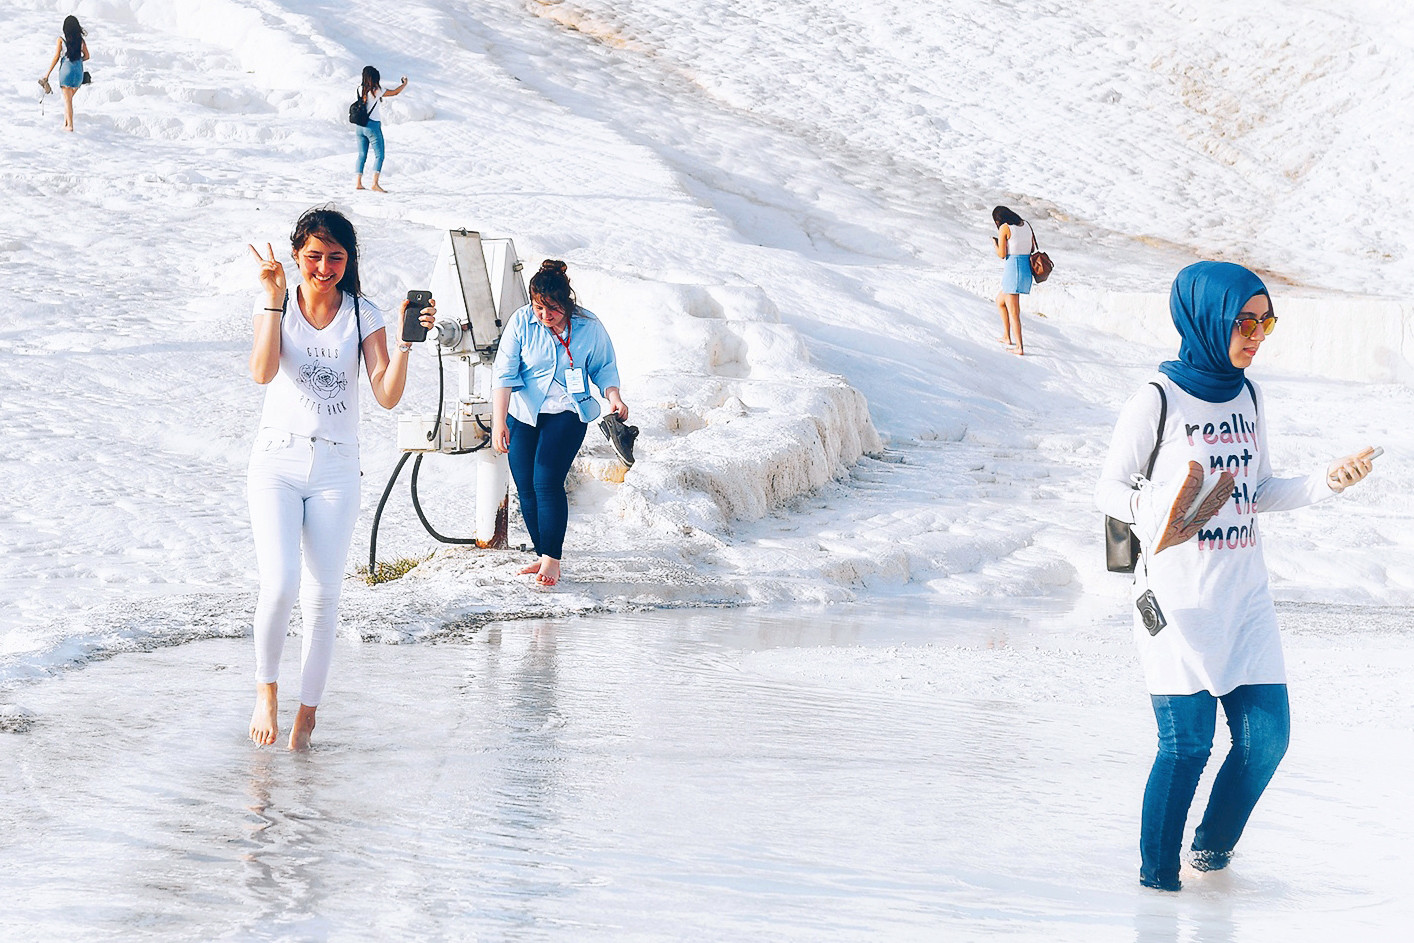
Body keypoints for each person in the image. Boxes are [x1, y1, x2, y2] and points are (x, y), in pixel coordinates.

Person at [1095, 261, 1377, 892]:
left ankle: (1212, 859)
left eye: (1266, 320)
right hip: (1172, 599)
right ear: (1209, 317)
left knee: (1265, 743)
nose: (1256, 333)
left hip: (1244, 598)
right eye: (1245, 321)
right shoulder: (1158, 398)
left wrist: (1327, 484)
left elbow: (1257, 490)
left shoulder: (1248, 396)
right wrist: (1165, 511)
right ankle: (1157, 894)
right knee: (1186, 747)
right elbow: (1108, 489)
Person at [245, 206, 435, 750]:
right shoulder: (276, 304)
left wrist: (403, 343)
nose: (324, 267)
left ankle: (306, 716)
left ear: (348, 260)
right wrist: (273, 297)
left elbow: (386, 394)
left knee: (323, 596)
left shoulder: (363, 313)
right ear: (297, 256)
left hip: (335, 465)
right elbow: (261, 373)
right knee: (279, 583)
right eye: (313, 256)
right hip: (276, 460)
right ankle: (267, 689)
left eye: (335, 257)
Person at [491, 260, 628, 587]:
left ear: (567, 302)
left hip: (568, 412)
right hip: (524, 412)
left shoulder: (588, 326)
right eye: (539, 307)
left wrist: (614, 397)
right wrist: (500, 421)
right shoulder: (522, 322)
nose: (544, 315)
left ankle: (552, 559)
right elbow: (504, 373)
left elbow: (603, 367)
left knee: (546, 481)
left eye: (552, 308)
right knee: (526, 489)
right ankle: (542, 554)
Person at [354, 66, 408, 193]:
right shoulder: (376, 90)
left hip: (359, 127)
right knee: (379, 155)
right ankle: (375, 183)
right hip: (372, 126)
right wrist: (404, 84)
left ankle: (358, 183)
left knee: (362, 155)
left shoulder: (359, 89)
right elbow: (395, 92)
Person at [991, 206, 1035, 355]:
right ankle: (1006, 337)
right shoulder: (1026, 224)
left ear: (999, 219)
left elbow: (1002, 254)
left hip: (1013, 270)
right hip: (1025, 270)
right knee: (1000, 301)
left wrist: (995, 244)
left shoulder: (1004, 228)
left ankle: (1019, 347)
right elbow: (1032, 247)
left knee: (1014, 312)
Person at [41, 16, 89, 132]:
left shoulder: (61, 40)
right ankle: (66, 122)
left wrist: (47, 74)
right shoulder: (81, 41)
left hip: (66, 72)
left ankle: (70, 126)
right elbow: (87, 56)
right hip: (78, 73)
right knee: (69, 99)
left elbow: (57, 57)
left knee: (68, 100)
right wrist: (78, 61)